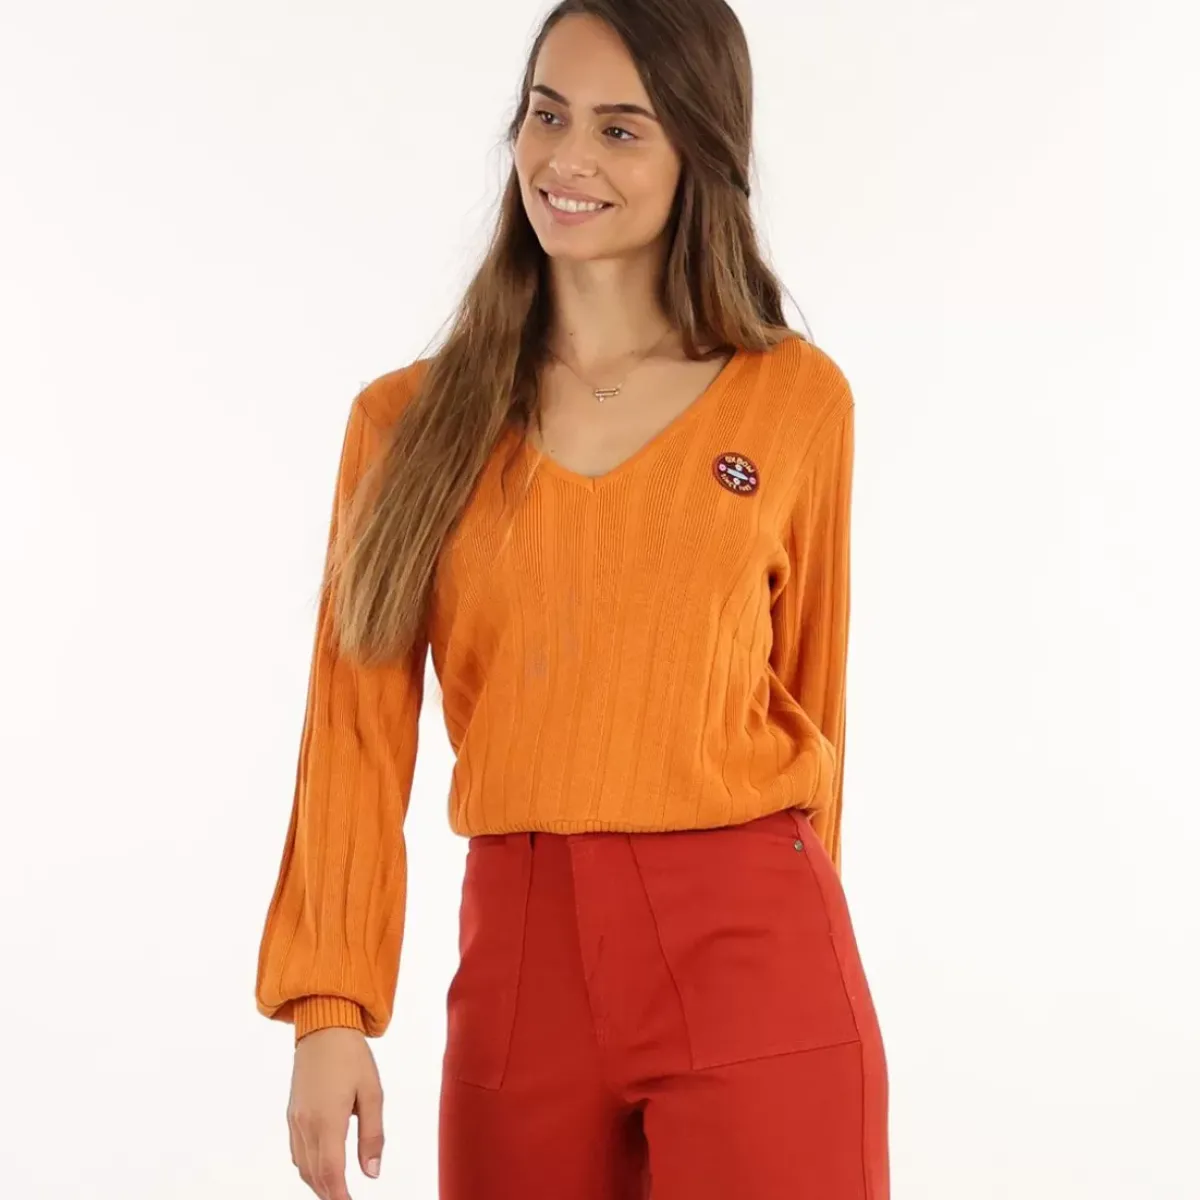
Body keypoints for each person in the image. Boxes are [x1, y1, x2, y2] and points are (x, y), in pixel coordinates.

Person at [254, 1, 888, 1197]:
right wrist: (328, 1007)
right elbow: (353, 732)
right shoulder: (405, 425)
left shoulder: (795, 400)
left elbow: (814, 700)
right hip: (521, 968)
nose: (567, 159)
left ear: (701, 150)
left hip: (754, 950)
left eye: (620, 129)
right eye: (547, 116)